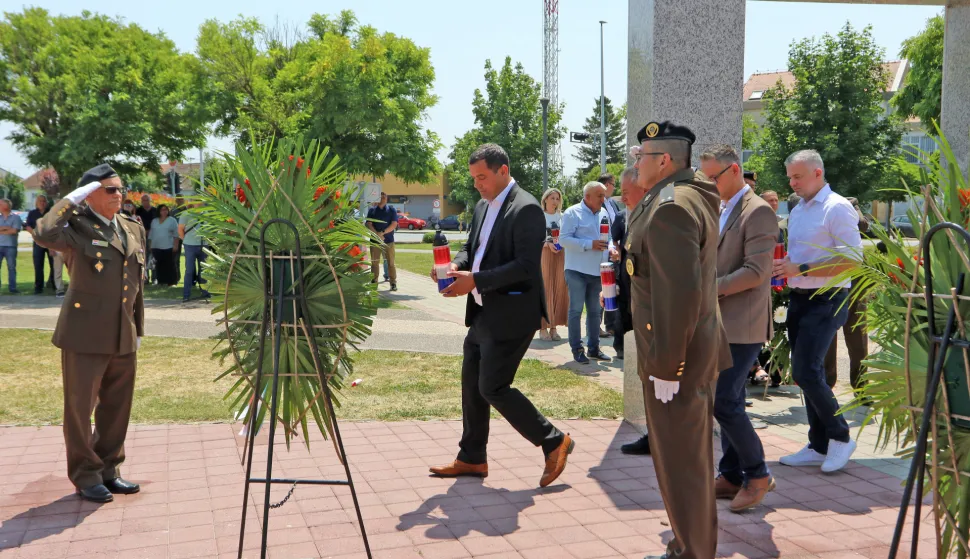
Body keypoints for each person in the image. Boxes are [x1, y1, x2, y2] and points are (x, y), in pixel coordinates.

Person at [429, 143, 574, 488]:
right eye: (474, 178)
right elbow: (472, 247)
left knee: (492, 386)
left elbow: (525, 266)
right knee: (472, 385)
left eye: (482, 177)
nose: (477, 184)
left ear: (503, 171)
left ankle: (554, 441)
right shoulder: (482, 206)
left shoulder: (526, 209)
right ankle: (472, 457)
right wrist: (455, 266)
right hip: (482, 312)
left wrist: (475, 281)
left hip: (513, 313)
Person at [626, 121, 731, 559]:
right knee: (683, 460)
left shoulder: (670, 206)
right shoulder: (687, 195)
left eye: (641, 156)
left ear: (664, 161)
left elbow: (679, 295)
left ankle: (693, 552)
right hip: (690, 348)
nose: (635, 163)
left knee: (682, 464)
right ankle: (686, 545)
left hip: (676, 358)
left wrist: (667, 366)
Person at [32, 163, 145, 503]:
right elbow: (43, 233)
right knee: (80, 409)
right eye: (110, 189)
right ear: (90, 194)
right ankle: (85, 474)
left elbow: (137, 283)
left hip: (122, 333)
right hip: (84, 334)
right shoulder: (76, 227)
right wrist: (69, 200)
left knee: (117, 406)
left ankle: (109, 468)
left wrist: (137, 327)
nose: (119, 194)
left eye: (120, 188)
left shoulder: (131, 226)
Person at [772, 149, 863, 473]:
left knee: (806, 372)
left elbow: (853, 260)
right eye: (790, 177)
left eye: (797, 176)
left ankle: (840, 437)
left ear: (817, 174)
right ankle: (819, 443)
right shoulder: (798, 209)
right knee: (808, 373)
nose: (792, 183)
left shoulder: (837, 207)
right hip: (800, 297)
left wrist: (803, 267)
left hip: (828, 297)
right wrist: (785, 267)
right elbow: (797, 256)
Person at [700, 145, 778, 512]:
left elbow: (758, 272)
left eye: (713, 177)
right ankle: (731, 475)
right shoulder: (721, 207)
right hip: (720, 321)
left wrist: (709, 286)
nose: (708, 184)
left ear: (734, 170)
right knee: (722, 401)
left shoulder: (758, 211)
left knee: (726, 401)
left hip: (743, 324)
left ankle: (758, 474)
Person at [612, 167, 652, 456]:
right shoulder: (635, 215)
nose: (622, 197)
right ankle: (654, 434)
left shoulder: (657, 215)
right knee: (646, 375)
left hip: (655, 309)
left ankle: (659, 437)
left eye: (626, 191)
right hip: (633, 301)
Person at [559, 182, 612, 365]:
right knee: (575, 310)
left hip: (598, 271)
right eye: (599, 195)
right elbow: (564, 239)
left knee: (595, 312)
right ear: (587, 196)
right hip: (576, 270)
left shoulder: (604, 214)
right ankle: (577, 349)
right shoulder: (572, 213)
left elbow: (609, 239)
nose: (603, 199)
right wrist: (590, 244)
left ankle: (594, 348)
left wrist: (612, 249)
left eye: (604, 196)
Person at [824, 197, 870, 392]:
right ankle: (826, 385)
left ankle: (861, 388)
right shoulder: (812, 207)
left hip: (855, 280)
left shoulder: (849, 204)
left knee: (857, 334)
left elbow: (864, 225)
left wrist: (850, 208)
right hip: (827, 278)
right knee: (826, 335)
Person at [539, 188, 567, 341]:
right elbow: (534, 237)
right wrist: (547, 244)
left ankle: (554, 328)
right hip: (545, 254)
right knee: (546, 289)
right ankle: (543, 327)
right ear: (545, 200)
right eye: (552, 198)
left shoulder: (562, 217)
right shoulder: (539, 216)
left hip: (560, 255)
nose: (555, 201)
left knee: (558, 289)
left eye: (557, 198)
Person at [597, 172, 622, 339]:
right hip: (601, 250)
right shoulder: (596, 203)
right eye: (613, 184)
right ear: (606, 184)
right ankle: (596, 325)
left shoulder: (612, 203)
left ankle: (611, 325)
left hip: (614, 250)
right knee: (600, 288)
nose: (614, 187)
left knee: (612, 287)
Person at [366, 192, 398, 291]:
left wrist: (382, 233)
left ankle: (393, 283)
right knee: (374, 263)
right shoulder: (372, 210)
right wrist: (377, 234)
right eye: (381, 197)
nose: (383, 198)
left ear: (387, 199)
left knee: (391, 263)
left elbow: (394, 224)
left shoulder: (391, 210)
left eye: (384, 197)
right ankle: (374, 282)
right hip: (375, 241)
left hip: (388, 241)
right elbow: (368, 224)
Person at [178, 203, 210, 303]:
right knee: (189, 270)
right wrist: (186, 240)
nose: (199, 203)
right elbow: (180, 230)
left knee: (203, 270)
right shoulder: (186, 214)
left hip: (204, 244)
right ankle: (186, 295)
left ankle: (205, 292)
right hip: (190, 245)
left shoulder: (207, 213)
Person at [25, 195, 55, 294]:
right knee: (38, 265)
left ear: (46, 202)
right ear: (36, 203)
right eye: (40, 201)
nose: (42, 203)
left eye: (44, 201)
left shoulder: (51, 212)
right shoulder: (32, 213)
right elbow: (28, 226)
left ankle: (54, 285)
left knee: (53, 264)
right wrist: (36, 234)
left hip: (51, 242)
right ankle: (38, 287)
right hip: (38, 242)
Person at [149, 204, 179, 286]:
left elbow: (176, 234)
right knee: (159, 265)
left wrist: (175, 245)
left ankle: (172, 282)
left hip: (169, 246)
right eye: (162, 210)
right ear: (159, 211)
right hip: (156, 246)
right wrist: (150, 246)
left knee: (170, 265)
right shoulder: (154, 221)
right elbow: (151, 235)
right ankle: (161, 281)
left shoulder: (172, 220)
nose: (164, 211)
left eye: (166, 209)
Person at [0, 198, 22, 293]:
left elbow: (14, 231)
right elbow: (11, 230)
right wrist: (6, 228)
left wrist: (1, 230)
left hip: (11, 246)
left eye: (0, 204)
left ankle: (12, 288)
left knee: (11, 267)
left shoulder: (16, 218)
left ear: (6, 206)